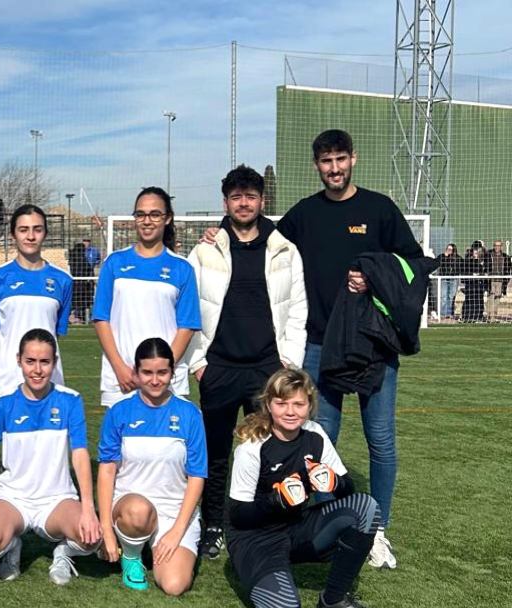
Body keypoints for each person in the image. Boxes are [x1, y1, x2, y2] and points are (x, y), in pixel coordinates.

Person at [262, 129, 422, 568]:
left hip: (373, 345)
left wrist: (376, 276)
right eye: (326, 162)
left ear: (354, 159)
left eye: (340, 159)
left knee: (381, 441)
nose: (334, 168)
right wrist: (218, 235)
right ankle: (319, 524)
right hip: (320, 345)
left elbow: (416, 261)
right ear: (317, 166)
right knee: (320, 438)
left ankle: (378, 531)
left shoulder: (379, 209)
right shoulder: (306, 214)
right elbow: (264, 239)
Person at [186, 165, 307, 560]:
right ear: (226, 202)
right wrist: (199, 363)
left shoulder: (285, 249)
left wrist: (287, 363)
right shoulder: (205, 249)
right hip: (219, 369)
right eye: (236, 196)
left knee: (267, 452)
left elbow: (297, 311)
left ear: (261, 201)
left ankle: (265, 525)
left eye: (250, 196)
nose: (243, 202)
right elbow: (188, 308)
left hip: (267, 371)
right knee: (216, 454)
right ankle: (213, 526)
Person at [228, 368, 389, 608]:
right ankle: (256, 569)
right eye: (281, 403)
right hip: (256, 538)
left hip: (296, 527)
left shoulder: (315, 434)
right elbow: (237, 516)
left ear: (309, 405)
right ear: (269, 404)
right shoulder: (253, 446)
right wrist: (276, 500)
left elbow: (348, 488)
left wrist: (335, 482)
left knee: (366, 508)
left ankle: (334, 600)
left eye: (298, 404)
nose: (290, 411)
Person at [0, 329, 101, 586]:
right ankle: (12, 546)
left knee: (92, 537)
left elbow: (81, 454)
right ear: (19, 360)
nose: (37, 370)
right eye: (30, 361)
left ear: (55, 362)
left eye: (45, 362)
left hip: (56, 498)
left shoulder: (70, 400)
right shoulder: (3, 403)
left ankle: (63, 552)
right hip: (13, 498)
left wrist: (88, 508)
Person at [97, 338, 206, 595]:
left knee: (175, 585)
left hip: (173, 512)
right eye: (147, 372)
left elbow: (197, 476)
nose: (155, 380)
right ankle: (132, 555)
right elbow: (107, 470)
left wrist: (177, 531)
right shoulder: (119, 412)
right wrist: (106, 530)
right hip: (131, 506)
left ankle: (154, 544)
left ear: (173, 372)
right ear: (135, 373)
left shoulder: (190, 414)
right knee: (138, 510)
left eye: (162, 372)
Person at [93, 187, 200, 408]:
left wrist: (160, 372)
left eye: (155, 214)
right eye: (140, 214)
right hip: (121, 380)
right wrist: (120, 368)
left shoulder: (182, 269)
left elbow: (187, 326)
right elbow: (101, 319)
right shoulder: (114, 263)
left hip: (166, 382)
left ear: (167, 218)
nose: (147, 220)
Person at [0, 205, 73, 403]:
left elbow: (55, 334)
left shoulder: (63, 280)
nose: (31, 236)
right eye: (23, 230)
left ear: (45, 233)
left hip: (49, 377)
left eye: (37, 229)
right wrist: (6, 365)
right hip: (8, 378)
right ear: (13, 235)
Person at [67, 240, 94, 324]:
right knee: (82, 302)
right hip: (82, 284)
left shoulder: (72, 259)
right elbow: (89, 270)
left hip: (77, 284)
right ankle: (78, 317)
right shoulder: (81, 260)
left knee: (77, 301)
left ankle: (78, 316)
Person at [461, 241, 489, 323]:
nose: (476, 251)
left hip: (479, 283)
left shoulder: (484, 258)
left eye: (478, 249)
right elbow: (464, 270)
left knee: (479, 299)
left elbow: (486, 269)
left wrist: (481, 274)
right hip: (470, 283)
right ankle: (467, 316)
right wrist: (471, 274)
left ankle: (478, 316)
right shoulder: (468, 259)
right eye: (475, 249)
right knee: (469, 299)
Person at [434, 243, 462, 318]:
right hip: (443, 278)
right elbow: (437, 263)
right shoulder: (442, 256)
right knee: (443, 296)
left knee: (451, 296)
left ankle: (449, 313)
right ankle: (443, 313)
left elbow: (459, 267)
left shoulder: (458, 258)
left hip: (453, 278)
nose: (449, 251)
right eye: (447, 249)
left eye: (450, 250)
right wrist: (445, 256)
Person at [486, 240, 509, 319]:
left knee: (498, 297)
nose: (497, 247)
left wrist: (506, 278)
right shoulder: (490, 255)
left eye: (499, 245)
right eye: (495, 245)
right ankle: (490, 314)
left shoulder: (505, 256)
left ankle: (494, 314)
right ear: (493, 246)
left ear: (501, 247)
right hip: (491, 279)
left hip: (500, 279)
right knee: (491, 296)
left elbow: (507, 268)